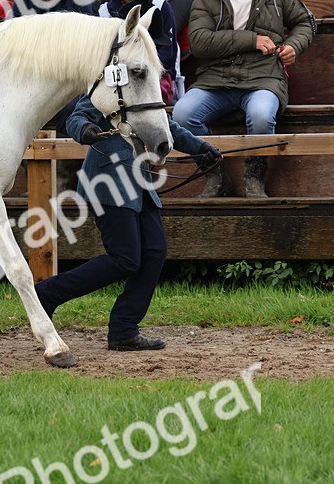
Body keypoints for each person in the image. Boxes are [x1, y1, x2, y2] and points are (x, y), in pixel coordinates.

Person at [34, 95, 221, 351]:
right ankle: (46, 294)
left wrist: (200, 147)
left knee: (154, 252)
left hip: (139, 185)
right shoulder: (106, 89)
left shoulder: (144, 91)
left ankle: (124, 329)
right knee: (125, 259)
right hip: (107, 182)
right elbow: (77, 118)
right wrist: (86, 131)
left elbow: (166, 126)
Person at [172, 0, 316, 197]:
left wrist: (294, 46)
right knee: (182, 114)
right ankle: (215, 174)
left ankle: (254, 177)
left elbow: (306, 23)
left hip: (263, 78)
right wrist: (251, 40)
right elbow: (200, 43)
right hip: (216, 80)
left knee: (262, 116)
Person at [99, 0, 180, 104]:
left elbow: (168, 53)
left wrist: (139, 70)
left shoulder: (159, 5)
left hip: (156, 77)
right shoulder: (105, 12)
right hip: (115, 79)